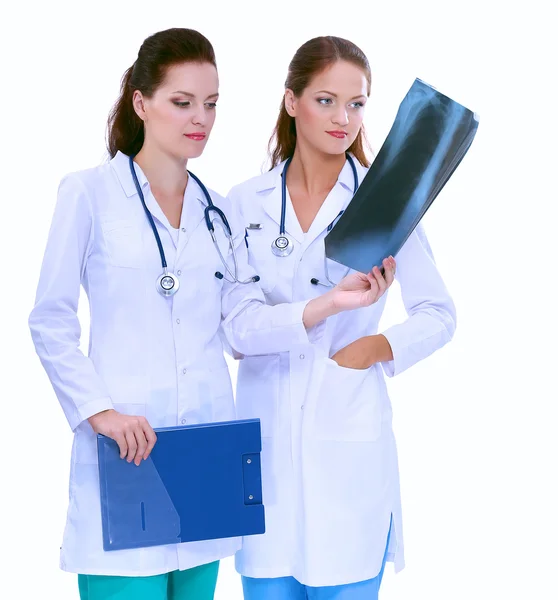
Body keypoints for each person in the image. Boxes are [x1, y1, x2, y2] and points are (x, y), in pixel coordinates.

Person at [28, 29, 394, 600]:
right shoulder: (88, 195)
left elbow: (242, 327)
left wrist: (336, 301)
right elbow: (49, 319)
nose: (200, 117)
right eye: (182, 102)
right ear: (141, 102)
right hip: (129, 450)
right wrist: (100, 412)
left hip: (206, 458)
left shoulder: (220, 214)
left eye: (212, 103)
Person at [227, 36, 457, 600]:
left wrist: (373, 349)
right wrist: (325, 306)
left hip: (348, 441)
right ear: (291, 102)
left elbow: (439, 313)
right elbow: (236, 329)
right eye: (326, 100)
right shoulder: (243, 203)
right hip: (265, 452)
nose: (344, 118)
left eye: (357, 104)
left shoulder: (386, 203)